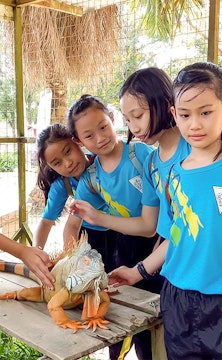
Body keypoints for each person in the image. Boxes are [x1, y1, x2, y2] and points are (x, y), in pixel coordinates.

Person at [107, 62, 222, 359]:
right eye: (185, 114)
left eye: (205, 112)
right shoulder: (172, 176)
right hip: (178, 303)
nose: (195, 124)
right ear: (174, 115)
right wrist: (136, 272)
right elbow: (175, 236)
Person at [65, 93, 165, 360]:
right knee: (118, 321)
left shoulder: (142, 155)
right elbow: (72, 224)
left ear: (112, 119)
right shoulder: (91, 177)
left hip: (156, 248)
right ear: (78, 141)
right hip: (123, 249)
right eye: (89, 135)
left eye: (103, 127)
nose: (99, 138)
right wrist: (68, 262)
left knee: (153, 321)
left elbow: (156, 219)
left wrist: (98, 218)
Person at [69, 67, 190, 244]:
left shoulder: (190, 151)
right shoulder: (152, 163)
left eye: (138, 116)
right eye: (128, 120)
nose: (134, 128)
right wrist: (142, 270)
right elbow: (157, 227)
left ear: (165, 104)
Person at [33, 123, 116, 271]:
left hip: (122, 231)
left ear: (77, 141)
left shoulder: (106, 163)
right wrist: (36, 253)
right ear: (50, 166)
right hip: (88, 237)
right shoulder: (62, 185)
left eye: (68, 151)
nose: (68, 163)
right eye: (57, 163)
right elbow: (46, 222)